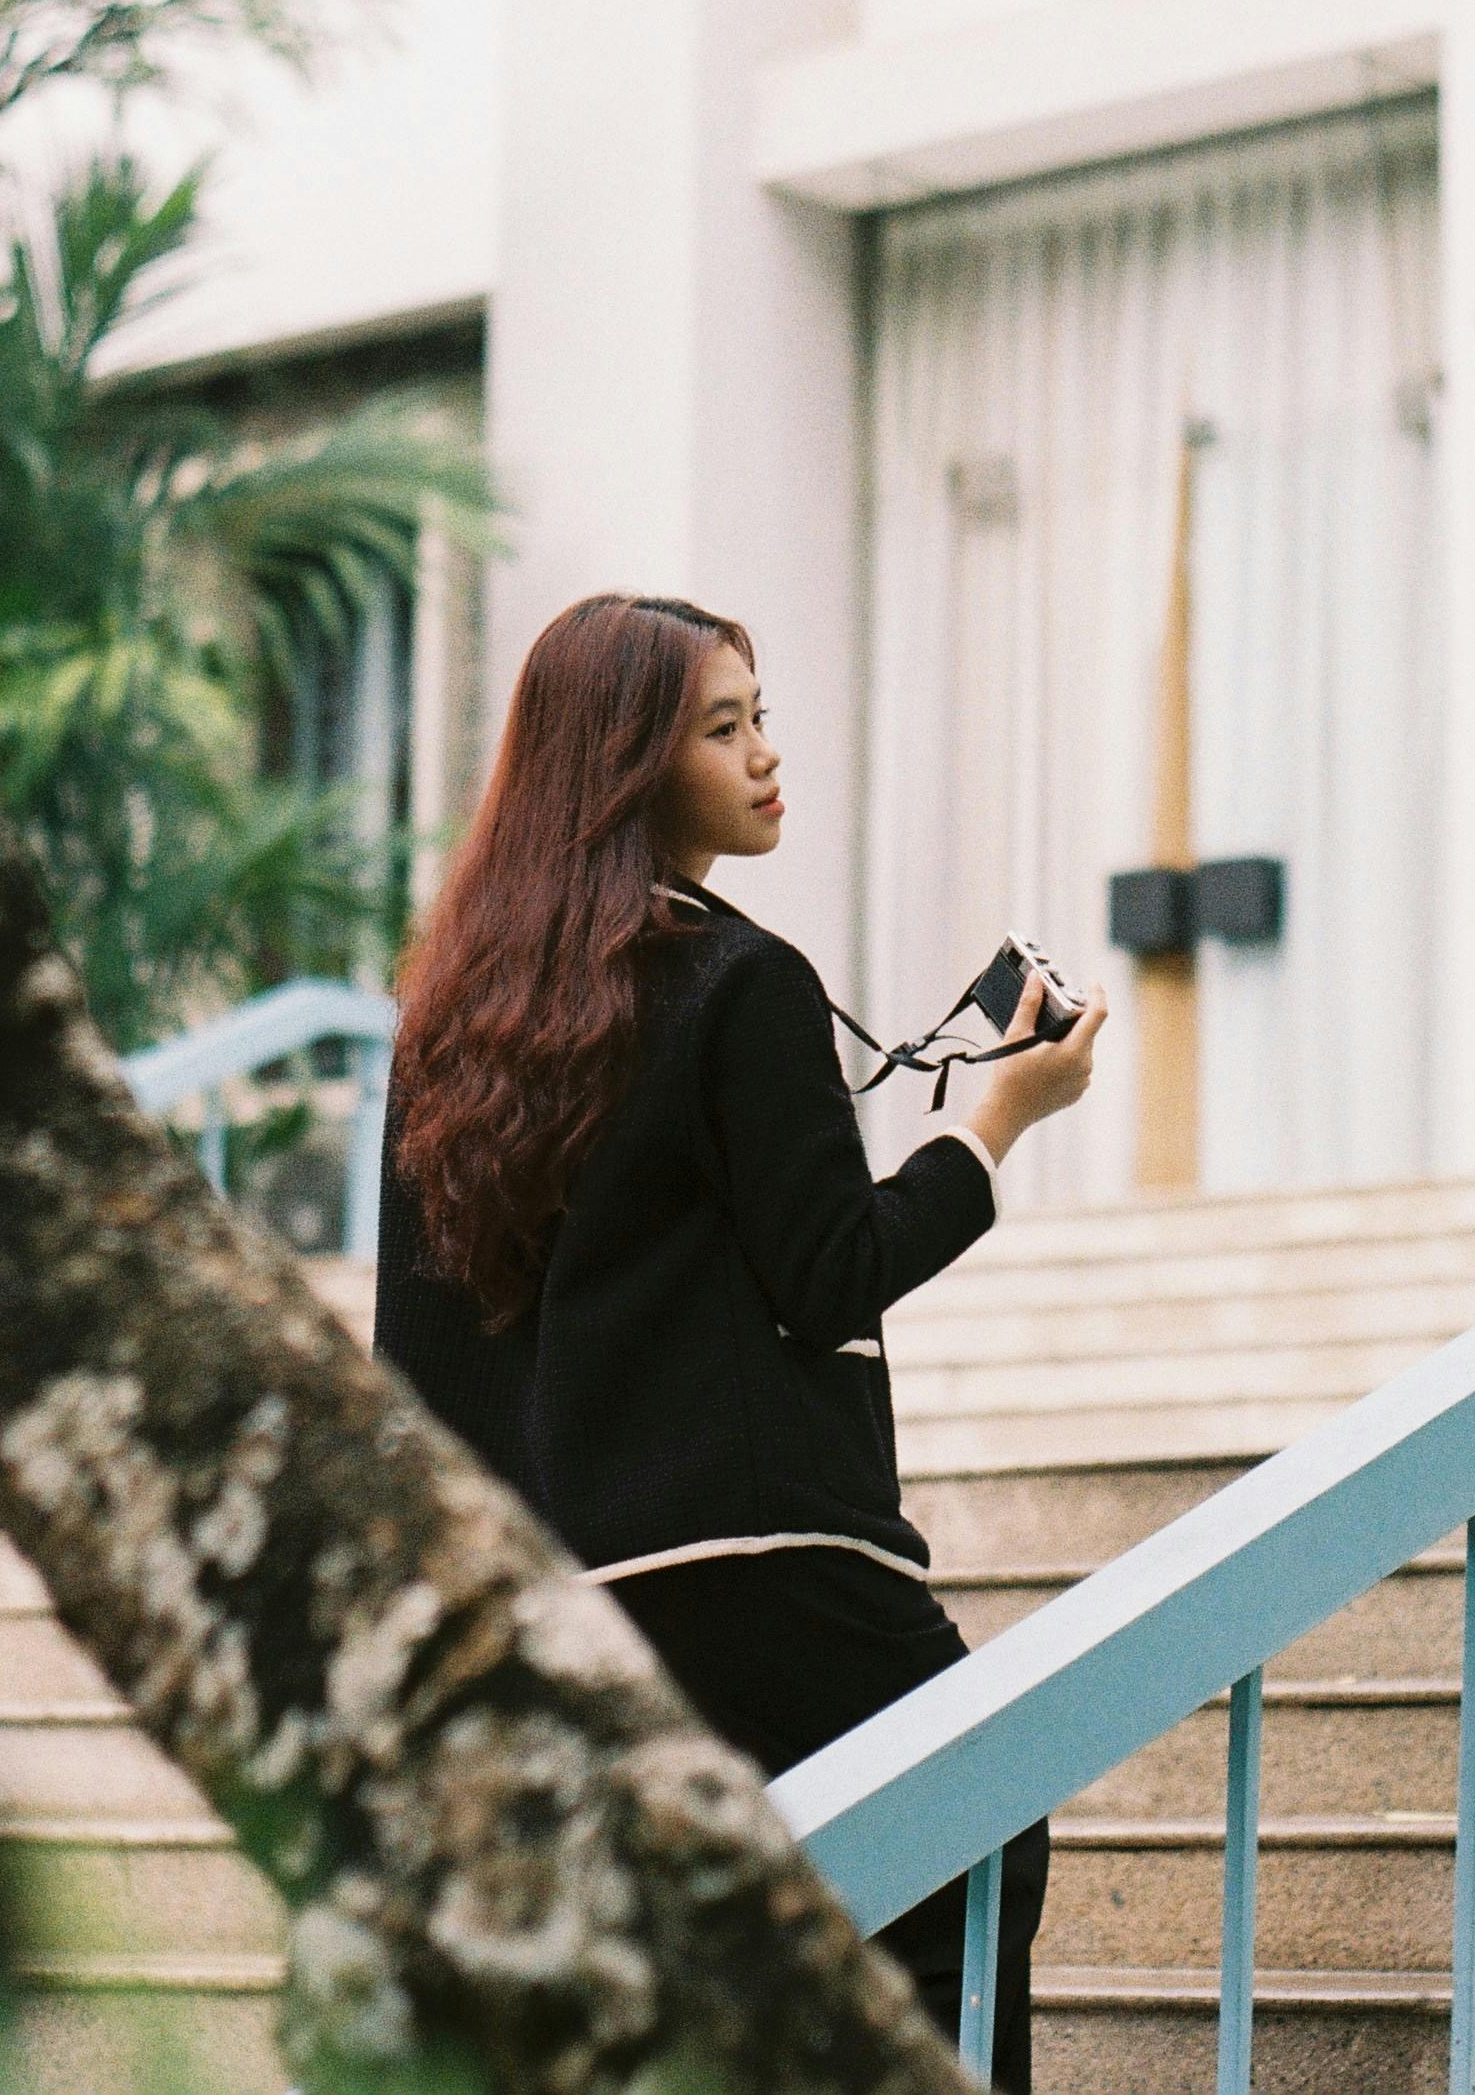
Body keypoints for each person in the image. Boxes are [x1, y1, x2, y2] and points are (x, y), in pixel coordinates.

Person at [372, 592, 1106, 2083]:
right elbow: (830, 1271)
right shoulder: (738, 978)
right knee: (976, 1834)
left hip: (566, 1593)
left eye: (758, 715)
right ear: (626, 762)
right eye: (724, 726)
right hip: (769, 1566)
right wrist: (992, 1121)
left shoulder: (455, 1018)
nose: (769, 755)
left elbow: (416, 1356)